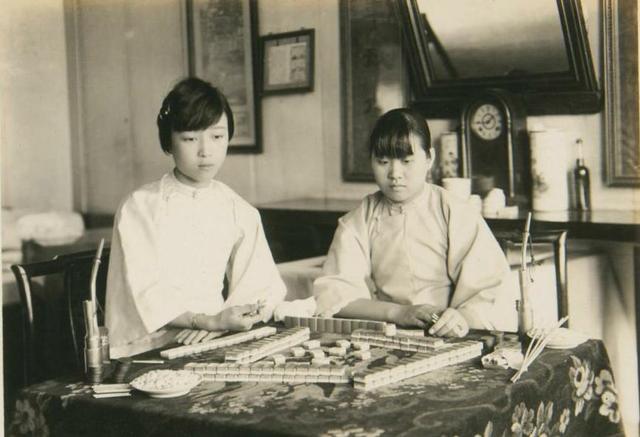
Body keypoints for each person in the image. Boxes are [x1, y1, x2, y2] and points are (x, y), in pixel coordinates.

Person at [105, 77, 286, 357]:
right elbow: (144, 289)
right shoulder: (140, 206)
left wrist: (225, 321)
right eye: (190, 138)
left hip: (214, 339)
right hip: (149, 347)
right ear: (169, 141)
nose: (206, 151)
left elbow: (261, 284)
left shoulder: (238, 209)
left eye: (217, 136)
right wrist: (204, 320)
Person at [313, 108, 511, 337]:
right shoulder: (359, 220)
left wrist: (461, 317)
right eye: (383, 161)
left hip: (448, 334)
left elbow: (490, 290)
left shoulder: (455, 212)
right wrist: (399, 313)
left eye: (407, 161)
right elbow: (335, 296)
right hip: (385, 333)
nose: (395, 173)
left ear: (429, 158)